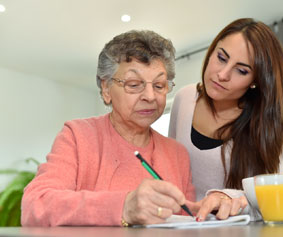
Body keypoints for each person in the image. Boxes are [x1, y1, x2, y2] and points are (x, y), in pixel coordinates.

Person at [21, 30, 195, 227]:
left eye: (159, 85)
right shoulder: (78, 136)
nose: (150, 96)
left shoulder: (177, 154)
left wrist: (207, 210)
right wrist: (124, 207)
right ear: (106, 89)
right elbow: (36, 205)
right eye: (134, 84)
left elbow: (187, 220)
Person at [169, 18, 283, 221]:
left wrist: (229, 197)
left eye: (242, 70)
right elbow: (172, 172)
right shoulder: (184, 99)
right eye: (221, 57)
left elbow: (272, 199)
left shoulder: (270, 124)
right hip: (183, 227)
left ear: (256, 80)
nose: (222, 74)